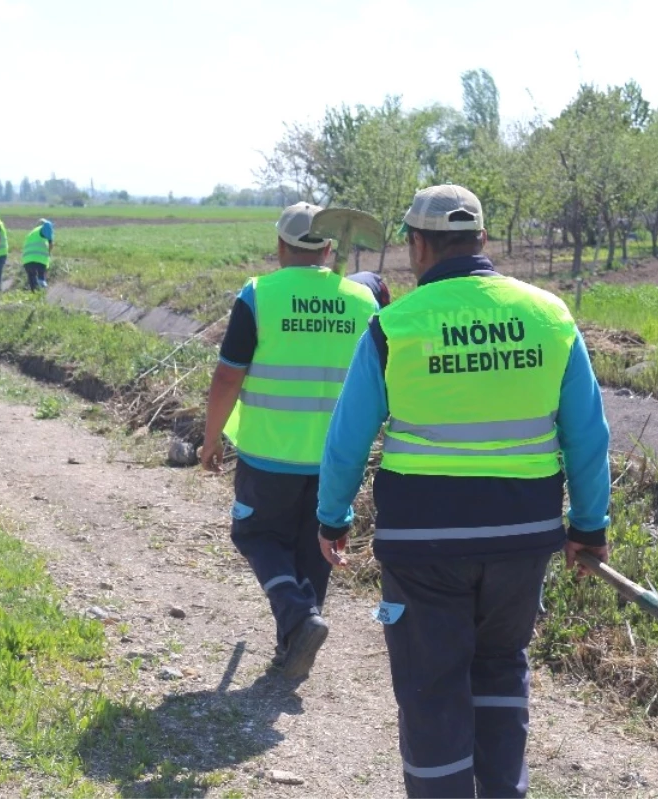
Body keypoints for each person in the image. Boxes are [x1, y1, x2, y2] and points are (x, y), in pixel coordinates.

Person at [316, 185, 611, 798]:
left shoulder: (393, 326)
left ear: (419, 245)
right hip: (521, 542)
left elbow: (347, 438)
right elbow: (587, 436)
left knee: (432, 689)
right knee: (502, 670)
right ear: (483, 240)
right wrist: (589, 528)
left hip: (424, 547)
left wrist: (332, 515)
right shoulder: (549, 315)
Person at [199, 202, 380, 680]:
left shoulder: (260, 295)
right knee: (315, 547)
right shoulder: (364, 303)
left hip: (270, 452)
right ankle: (295, 642)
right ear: (327, 248)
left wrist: (210, 439)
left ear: (280, 246)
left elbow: (226, 378)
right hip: (335, 460)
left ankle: (299, 619)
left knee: (255, 534)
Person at [21, 218, 54, 290]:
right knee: (40, 281)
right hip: (39, 260)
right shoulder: (42, 229)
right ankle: (41, 294)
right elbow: (48, 226)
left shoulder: (30, 233)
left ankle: (34, 297)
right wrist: (49, 251)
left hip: (27, 261)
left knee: (33, 283)